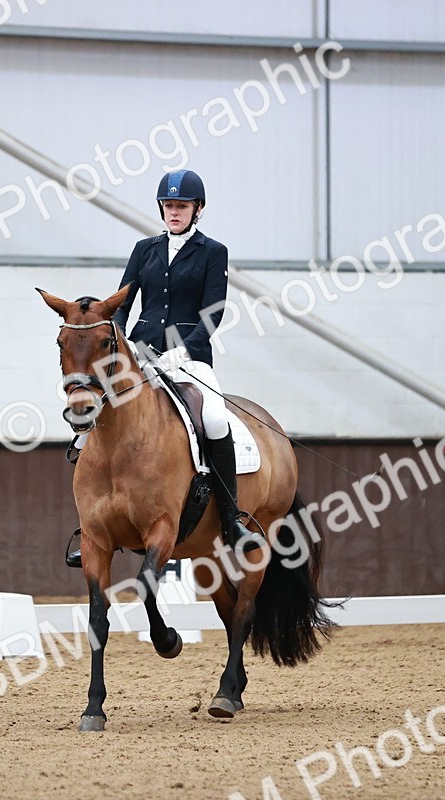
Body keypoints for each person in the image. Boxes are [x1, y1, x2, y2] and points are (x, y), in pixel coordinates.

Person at [65, 168, 266, 567]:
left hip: (189, 356)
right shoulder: (145, 249)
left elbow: (214, 311)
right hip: (138, 352)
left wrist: (186, 350)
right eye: (169, 206)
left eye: (182, 206)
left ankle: (231, 521)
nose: (174, 212)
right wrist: (119, 346)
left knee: (213, 418)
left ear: (198, 209)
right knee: (95, 414)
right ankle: (92, 525)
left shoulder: (213, 252)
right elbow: (119, 304)